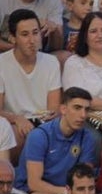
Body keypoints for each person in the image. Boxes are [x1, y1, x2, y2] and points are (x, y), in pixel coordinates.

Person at [15, 87, 96, 194]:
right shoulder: (39, 136)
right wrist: (68, 192)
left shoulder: (86, 137)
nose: (83, 115)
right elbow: (34, 183)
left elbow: (85, 176)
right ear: (63, 109)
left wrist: (77, 192)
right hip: (30, 191)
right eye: (77, 108)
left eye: (87, 110)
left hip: (67, 190)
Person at [0, 9, 61, 145]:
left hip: (44, 122)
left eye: (35, 33)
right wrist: (16, 118)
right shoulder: (2, 64)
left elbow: (53, 108)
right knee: (14, 134)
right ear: (12, 38)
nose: (32, 40)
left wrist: (50, 117)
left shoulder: (51, 62)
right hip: (15, 124)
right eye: (24, 35)